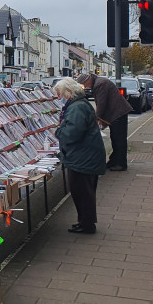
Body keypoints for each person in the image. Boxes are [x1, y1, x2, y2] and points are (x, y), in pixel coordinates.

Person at [54, 78, 106, 234]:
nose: (60, 97)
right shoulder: (80, 104)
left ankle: (87, 224)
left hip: (83, 158)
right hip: (84, 156)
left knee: (82, 191)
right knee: (83, 191)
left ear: (68, 92)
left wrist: (58, 132)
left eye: (61, 94)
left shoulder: (76, 108)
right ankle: (84, 222)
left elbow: (73, 133)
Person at [75, 73, 131, 171]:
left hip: (118, 113)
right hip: (116, 113)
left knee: (119, 139)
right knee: (115, 138)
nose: (85, 86)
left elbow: (101, 103)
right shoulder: (99, 82)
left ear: (88, 80)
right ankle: (114, 160)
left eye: (84, 84)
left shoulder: (99, 84)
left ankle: (121, 163)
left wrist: (96, 118)